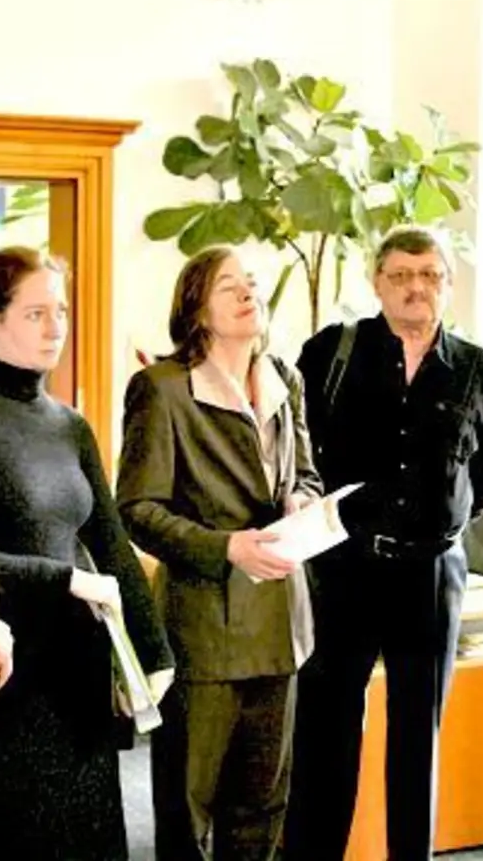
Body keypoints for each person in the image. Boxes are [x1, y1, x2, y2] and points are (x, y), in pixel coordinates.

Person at [0, 246, 174, 860]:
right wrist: (67, 579)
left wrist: (155, 654)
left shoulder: (69, 424)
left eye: (60, 311)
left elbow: (110, 545)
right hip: (6, 672)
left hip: (79, 673)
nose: (55, 326)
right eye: (35, 313)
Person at [286, 226, 483, 861]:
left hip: (431, 573)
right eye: (401, 275)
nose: (416, 287)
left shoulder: (477, 369)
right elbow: (296, 451)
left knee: (418, 734)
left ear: (449, 285)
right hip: (345, 565)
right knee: (326, 729)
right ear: (376, 283)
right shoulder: (331, 352)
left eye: (430, 275)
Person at [116, 245, 322, 861]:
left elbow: (306, 475)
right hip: (204, 629)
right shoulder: (162, 389)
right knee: (189, 809)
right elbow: (137, 509)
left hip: (281, 624)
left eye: (252, 282)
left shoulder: (285, 378)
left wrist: (301, 504)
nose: (247, 292)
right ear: (196, 309)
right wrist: (226, 547)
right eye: (229, 285)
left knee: (264, 807)